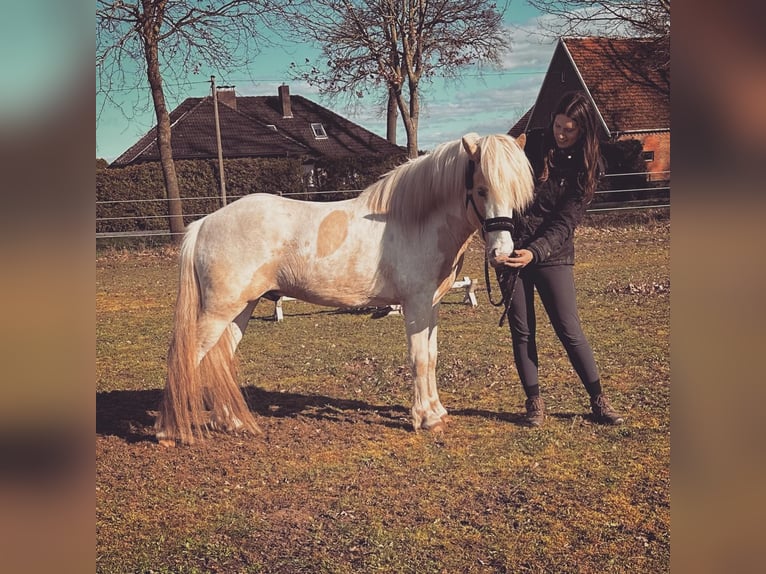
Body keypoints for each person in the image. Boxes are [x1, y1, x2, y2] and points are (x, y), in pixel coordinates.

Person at [499, 91, 624, 427]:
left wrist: (535, 251)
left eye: (569, 129)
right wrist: (504, 240)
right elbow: (500, 183)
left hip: (552, 254)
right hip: (512, 250)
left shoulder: (588, 166)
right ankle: (534, 403)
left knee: (569, 329)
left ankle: (598, 400)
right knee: (522, 331)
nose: (561, 134)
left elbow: (565, 222)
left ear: (582, 130)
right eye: (558, 125)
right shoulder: (533, 145)